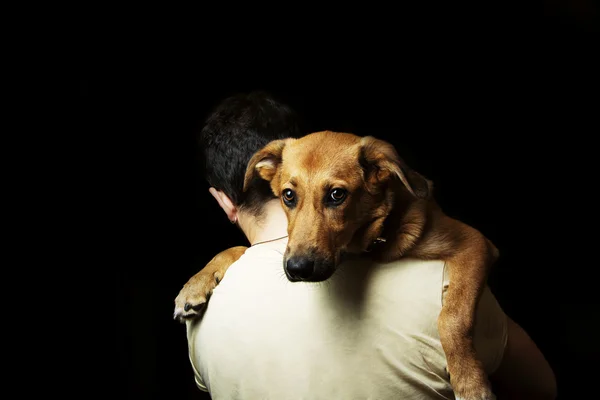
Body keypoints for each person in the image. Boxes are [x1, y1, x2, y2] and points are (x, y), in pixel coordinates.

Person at [183, 91, 557, 399]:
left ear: (224, 201)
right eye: (290, 196)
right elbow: (542, 388)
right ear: (270, 177)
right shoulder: (434, 286)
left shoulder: (203, 320)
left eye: (335, 195)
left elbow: (473, 245)